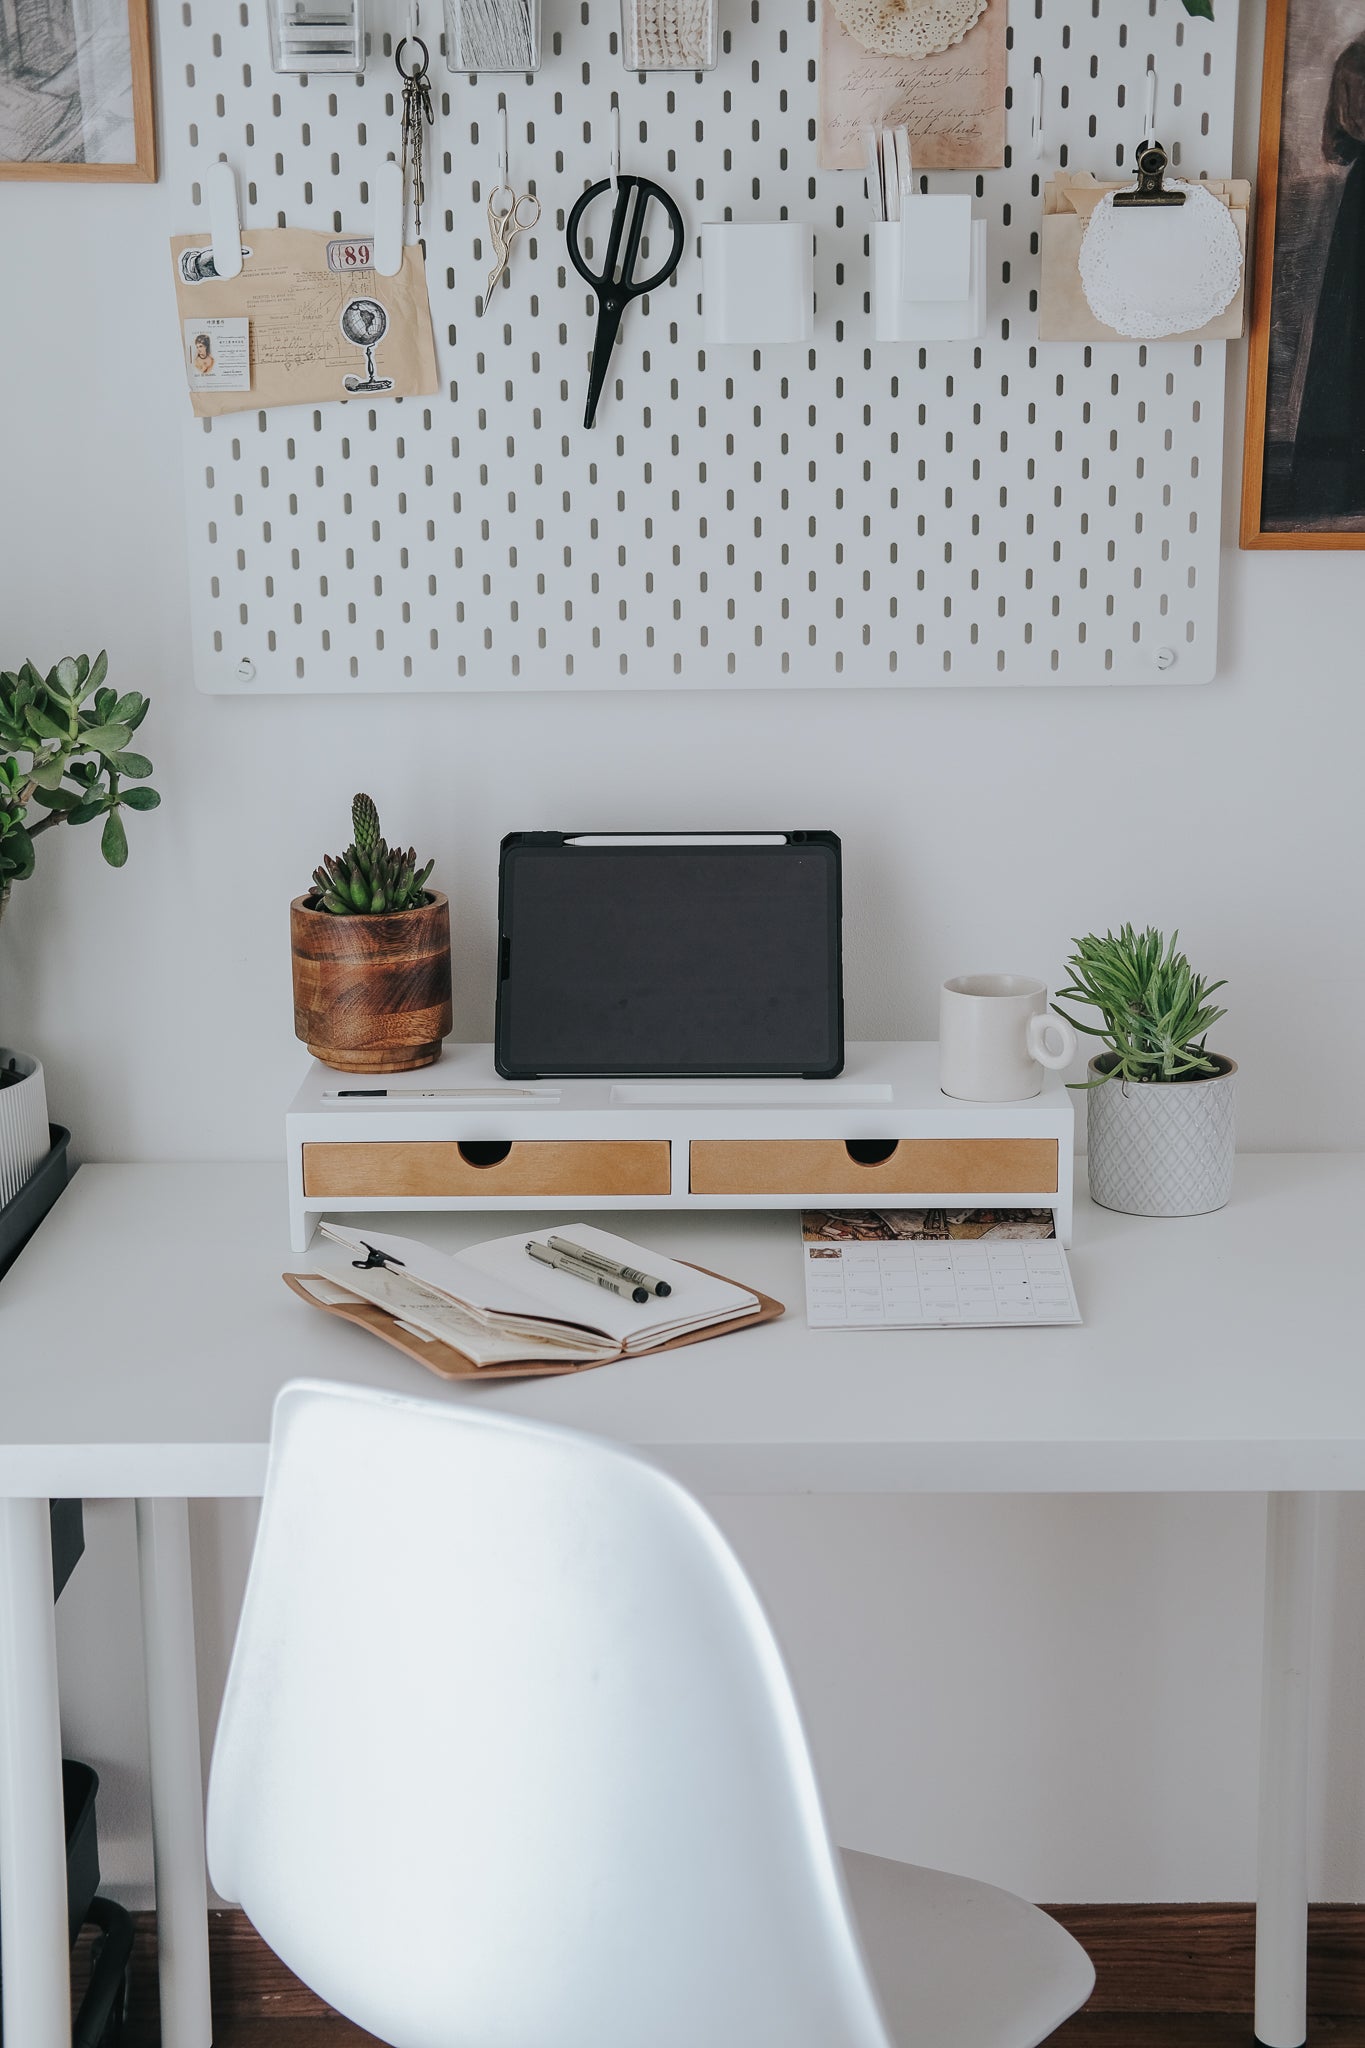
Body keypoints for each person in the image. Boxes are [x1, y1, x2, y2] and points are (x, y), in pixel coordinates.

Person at [1283, 35, 1365, 521]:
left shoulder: (1354, 59)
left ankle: (1335, 487)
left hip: (1360, 200)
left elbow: (1338, 146)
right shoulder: (1357, 58)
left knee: (1348, 332)